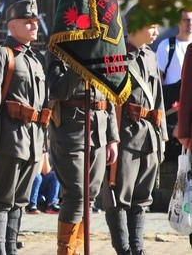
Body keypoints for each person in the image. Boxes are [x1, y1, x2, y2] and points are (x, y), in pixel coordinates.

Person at [0, 0, 49, 255]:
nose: (34, 27)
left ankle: (11, 249)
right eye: (28, 22)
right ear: (13, 25)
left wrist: (43, 145)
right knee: (0, 200)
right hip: (8, 140)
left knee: (20, 201)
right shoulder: (0, 56)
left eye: (35, 22)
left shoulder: (37, 60)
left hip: (32, 142)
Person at [100, 6, 167, 255]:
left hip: (149, 136)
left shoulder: (150, 56)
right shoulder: (116, 57)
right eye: (151, 27)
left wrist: (161, 136)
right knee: (118, 197)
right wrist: (110, 138)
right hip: (125, 136)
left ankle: (137, 249)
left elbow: (157, 97)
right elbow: (106, 101)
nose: (156, 32)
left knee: (141, 199)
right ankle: (124, 249)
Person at [45, 48, 119, 254]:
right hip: (71, 131)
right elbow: (58, 90)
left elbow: (109, 95)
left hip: (99, 131)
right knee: (76, 195)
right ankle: (67, 251)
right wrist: (81, 64)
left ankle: (78, 248)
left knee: (90, 196)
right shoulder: (58, 50)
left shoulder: (100, 49)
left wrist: (112, 138)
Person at [156, 9, 192, 160]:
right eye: (186, 20)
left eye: (191, 20)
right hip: (173, 106)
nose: (190, 24)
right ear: (178, 22)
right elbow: (158, 81)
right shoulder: (167, 46)